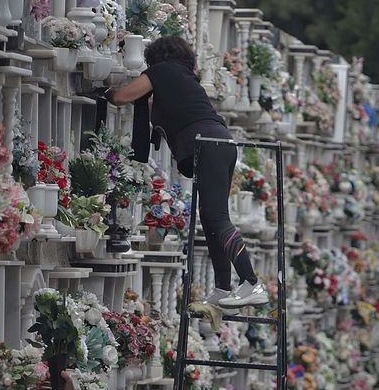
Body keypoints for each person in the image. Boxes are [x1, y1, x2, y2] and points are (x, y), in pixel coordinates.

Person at [106, 36, 267, 309]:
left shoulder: (162, 72)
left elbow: (123, 96)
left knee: (217, 219)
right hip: (220, 143)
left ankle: (251, 282)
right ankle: (221, 288)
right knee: (211, 218)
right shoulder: (182, 77)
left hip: (209, 146)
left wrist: (102, 92)